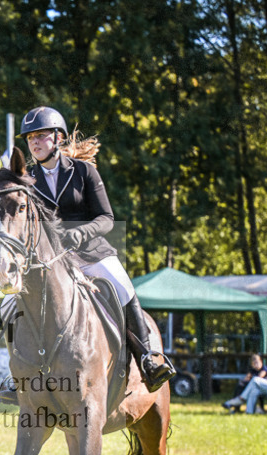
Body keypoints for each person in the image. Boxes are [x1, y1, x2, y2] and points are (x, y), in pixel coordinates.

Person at [17, 106, 175, 392]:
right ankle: (17, 373)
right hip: (49, 260)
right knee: (11, 301)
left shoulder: (83, 171)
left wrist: (81, 232)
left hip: (90, 253)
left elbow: (106, 219)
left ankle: (149, 360)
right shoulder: (27, 180)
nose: (35, 143)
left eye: (41, 136)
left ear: (58, 138)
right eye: (30, 139)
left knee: (123, 287)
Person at [223, 348, 267, 414]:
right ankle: (249, 412)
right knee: (254, 390)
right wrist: (263, 382)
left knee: (255, 379)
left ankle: (241, 398)